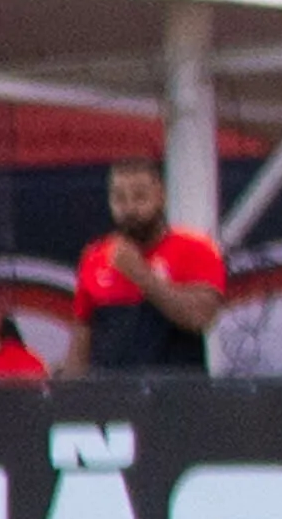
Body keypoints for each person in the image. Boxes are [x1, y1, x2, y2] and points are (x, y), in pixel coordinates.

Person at [64, 151, 225, 371]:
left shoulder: (195, 248)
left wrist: (142, 276)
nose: (129, 209)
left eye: (139, 197)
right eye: (119, 198)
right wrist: (71, 396)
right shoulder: (95, 256)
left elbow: (200, 317)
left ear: (161, 196)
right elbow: (82, 337)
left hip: (175, 396)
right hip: (113, 396)